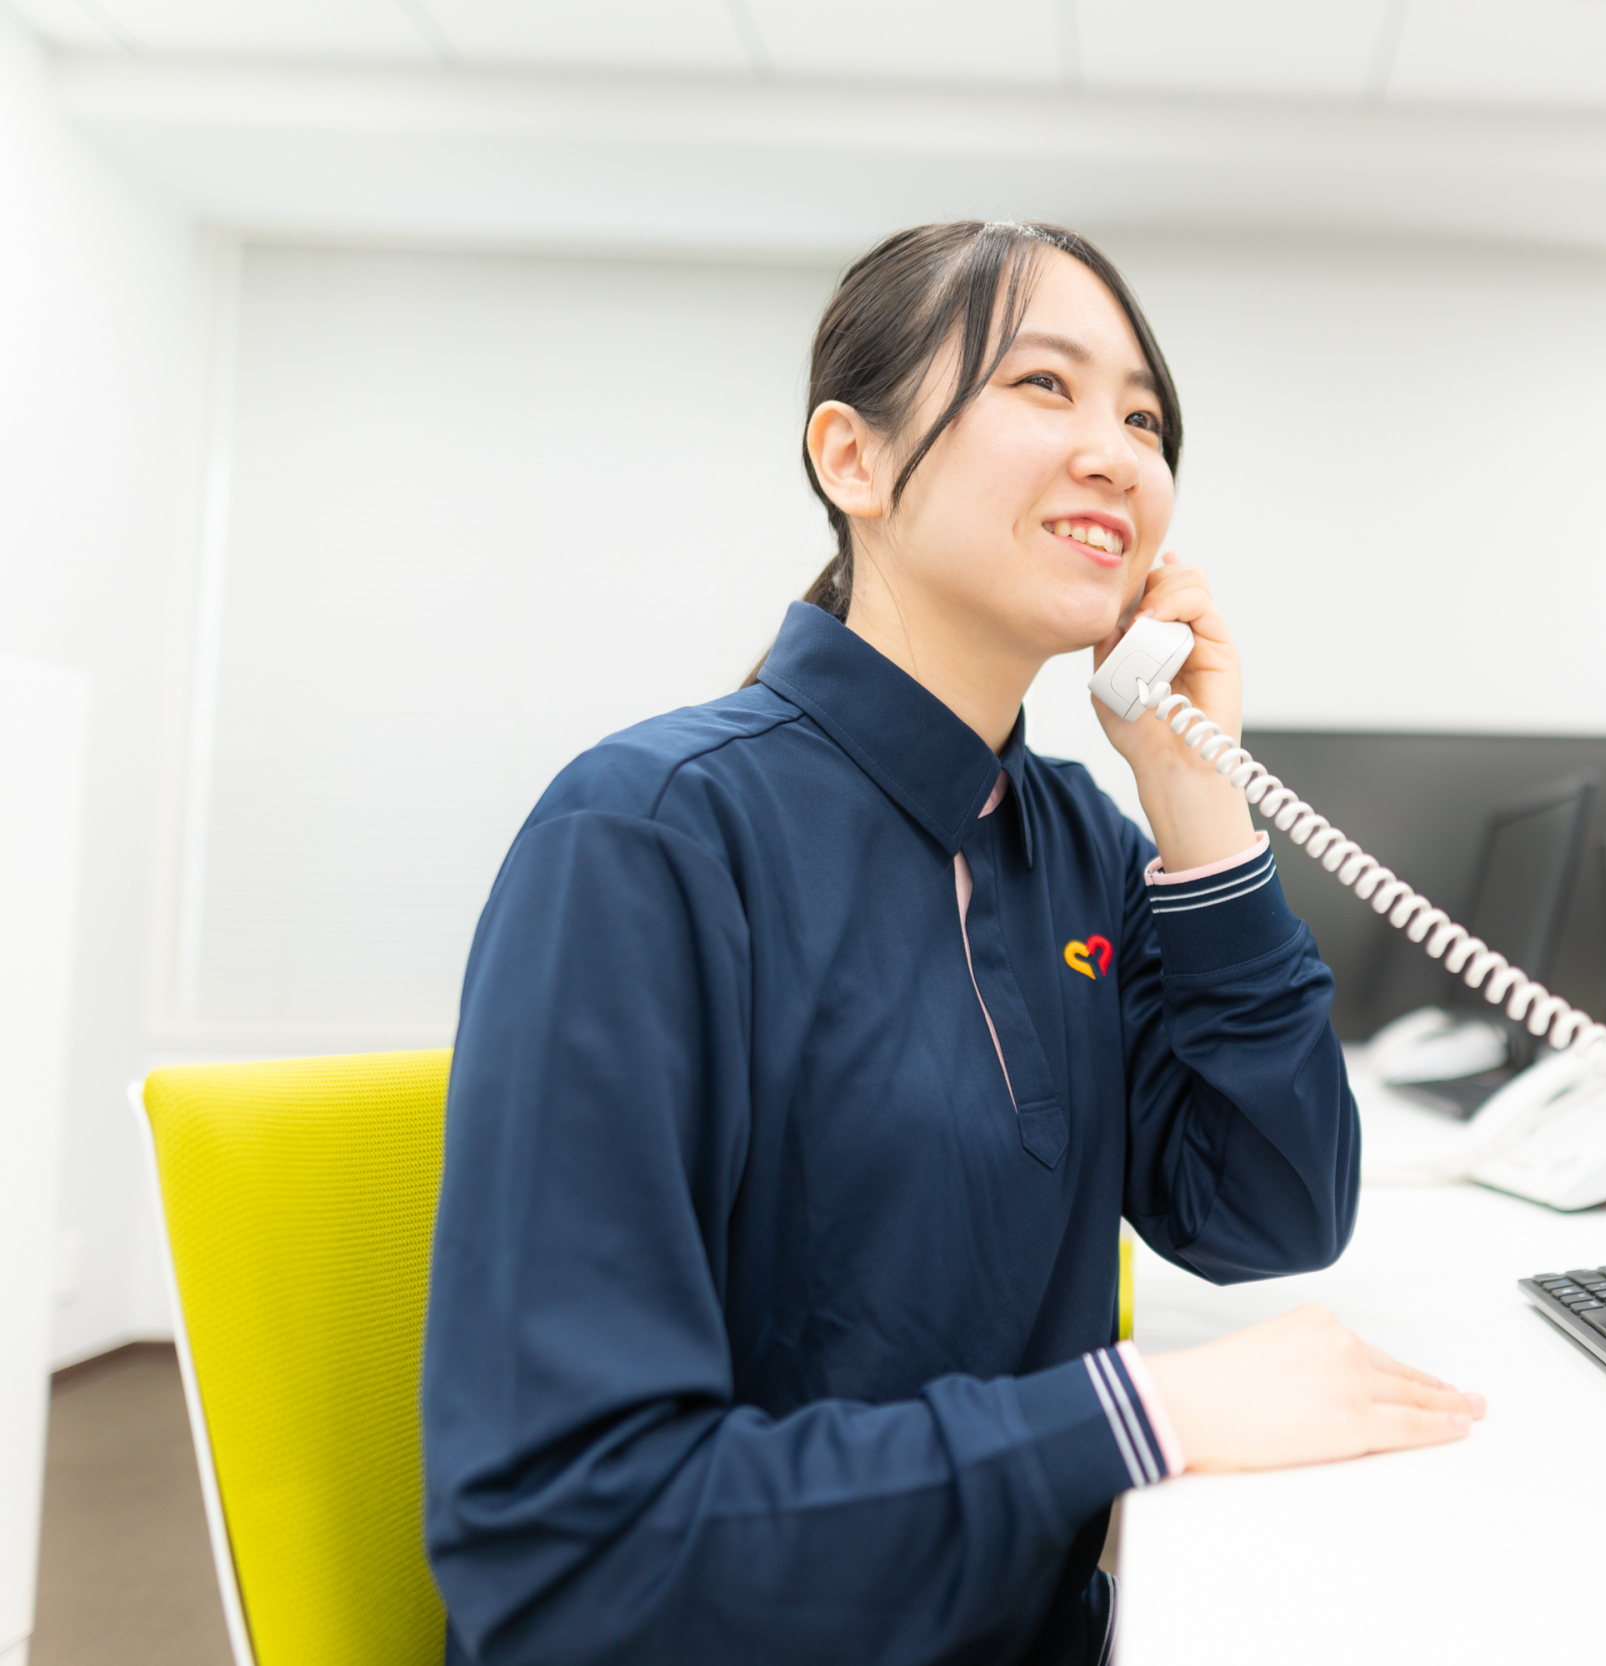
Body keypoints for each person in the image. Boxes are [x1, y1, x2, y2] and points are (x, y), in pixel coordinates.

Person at [421, 220, 1484, 1666]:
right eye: (1044, 386)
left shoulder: (1077, 848)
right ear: (851, 459)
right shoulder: (650, 836)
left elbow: (1271, 1210)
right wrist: (1139, 1415)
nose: (1117, 452)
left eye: (1145, 416)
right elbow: (575, 1551)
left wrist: (1198, 808)